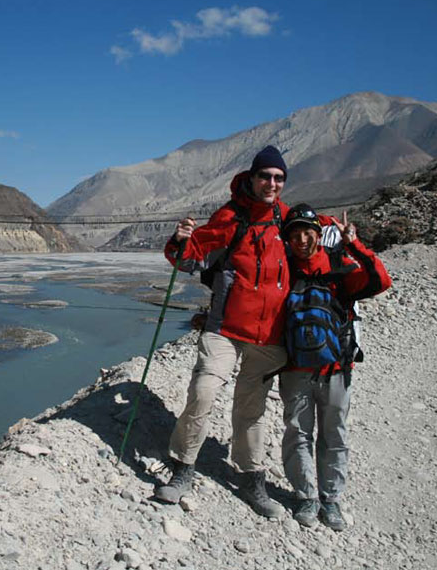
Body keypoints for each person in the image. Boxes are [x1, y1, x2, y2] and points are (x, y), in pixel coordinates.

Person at [154, 146, 329, 519]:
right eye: (265, 176)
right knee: (203, 392)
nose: (272, 183)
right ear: (251, 178)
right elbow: (190, 258)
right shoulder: (230, 217)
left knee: (252, 410)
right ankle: (184, 466)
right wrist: (181, 240)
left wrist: (345, 237)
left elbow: (315, 249)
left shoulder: (286, 218)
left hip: (269, 338)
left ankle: (251, 477)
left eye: (279, 178)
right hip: (225, 329)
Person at [278, 205, 391, 531]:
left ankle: (331, 499)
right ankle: (306, 496)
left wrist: (353, 244)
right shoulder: (283, 270)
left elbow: (379, 280)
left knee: (334, 434)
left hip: (336, 368)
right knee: (298, 433)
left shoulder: (340, 266)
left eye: (308, 232)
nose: (301, 239)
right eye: (295, 233)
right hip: (295, 369)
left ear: (318, 234)